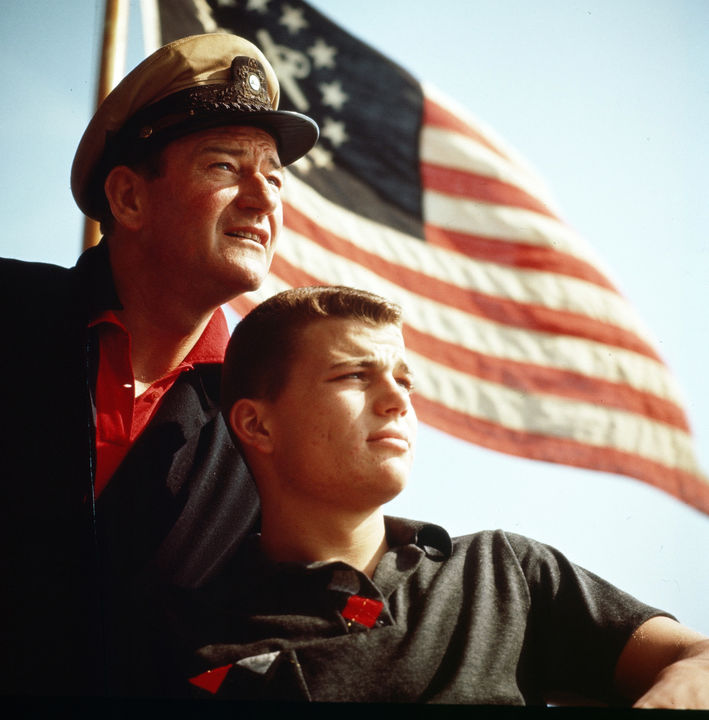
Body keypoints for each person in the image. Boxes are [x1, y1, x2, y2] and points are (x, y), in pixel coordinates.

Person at [159, 285, 709, 707]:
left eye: (405, 380)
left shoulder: (502, 571)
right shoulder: (189, 640)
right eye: (355, 375)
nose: (397, 399)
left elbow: (698, 658)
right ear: (258, 426)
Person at [0, 34, 318, 696]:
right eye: (226, 167)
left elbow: (326, 610)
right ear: (128, 199)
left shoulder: (268, 434)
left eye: (275, 176)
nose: (264, 200)